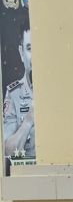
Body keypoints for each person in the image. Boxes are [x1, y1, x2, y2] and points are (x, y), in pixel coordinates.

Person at [3, 19, 34, 159]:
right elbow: (6, 151)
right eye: (30, 48)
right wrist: (28, 120)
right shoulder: (14, 94)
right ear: (22, 53)